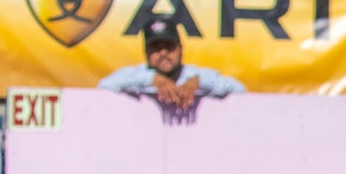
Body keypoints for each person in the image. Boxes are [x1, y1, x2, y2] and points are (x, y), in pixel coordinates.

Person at [99, 15, 246, 103]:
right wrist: (152, 79)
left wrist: (199, 82)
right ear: (146, 52)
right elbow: (104, 86)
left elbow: (239, 89)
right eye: (156, 48)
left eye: (169, 47)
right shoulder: (138, 74)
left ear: (180, 49)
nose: (163, 53)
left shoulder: (193, 74)